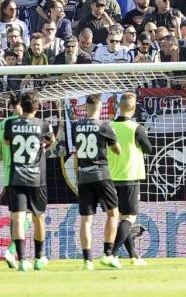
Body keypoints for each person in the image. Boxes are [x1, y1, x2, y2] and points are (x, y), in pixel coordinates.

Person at [0, 91, 55, 271]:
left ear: (22, 105)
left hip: (16, 177)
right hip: (37, 178)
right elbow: (51, 141)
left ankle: (22, 260)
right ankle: (39, 257)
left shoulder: (11, 124)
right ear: (37, 108)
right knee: (39, 218)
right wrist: (43, 147)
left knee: (18, 218)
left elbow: (6, 143)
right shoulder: (44, 124)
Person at [66, 94, 122, 270]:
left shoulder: (76, 126)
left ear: (86, 108)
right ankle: (107, 254)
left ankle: (87, 261)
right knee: (113, 214)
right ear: (100, 108)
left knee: (86, 219)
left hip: (83, 176)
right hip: (101, 174)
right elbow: (117, 150)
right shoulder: (104, 126)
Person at [108, 91, 153, 266]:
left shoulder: (109, 126)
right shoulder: (136, 128)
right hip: (130, 177)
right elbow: (148, 149)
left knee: (121, 219)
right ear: (133, 108)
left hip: (111, 178)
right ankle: (111, 253)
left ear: (119, 106)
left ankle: (134, 256)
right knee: (129, 219)